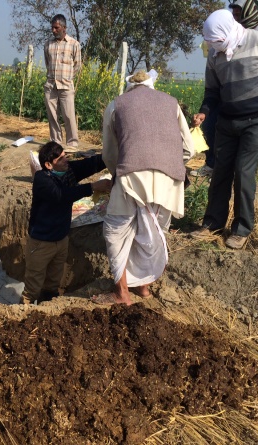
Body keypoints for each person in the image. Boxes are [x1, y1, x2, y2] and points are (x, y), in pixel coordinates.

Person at [91, 71, 194, 306]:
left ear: (129, 87)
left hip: (132, 178)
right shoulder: (172, 103)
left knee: (116, 232)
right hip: (169, 181)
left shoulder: (117, 104)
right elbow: (189, 149)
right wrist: (166, 162)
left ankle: (121, 293)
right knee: (152, 232)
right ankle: (144, 288)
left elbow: (109, 153)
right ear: (151, 85)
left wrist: (118, 171)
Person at [191, 9, 258, 249]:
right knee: (220, 171)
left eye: (218, 41)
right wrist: (204, 111)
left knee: (244, 173)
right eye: (213, 43)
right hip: (226, 121)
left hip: (256, 120)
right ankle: (212, 223)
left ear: (228, 30)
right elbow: (212, 90)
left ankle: (241, 228)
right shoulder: (215, 54)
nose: (217, 46)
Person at [20, 142, 111, 305]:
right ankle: (23, 312)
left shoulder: (67, 171)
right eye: (61, 158)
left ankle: (46, 309)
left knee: (53, 284)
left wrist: (111, 154)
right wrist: (93, 186)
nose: (66, 159)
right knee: (32, 287)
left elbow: (91, 164)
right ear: (48, 165)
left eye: (64, 155)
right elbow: (61, 195)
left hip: (61, 240)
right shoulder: (42, 180)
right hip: (41, 244)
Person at [190, 0, 258, 179]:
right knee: (211, 126)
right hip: (224, 91)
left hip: (250, 103)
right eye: (233, 15)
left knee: (243, 162)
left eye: (238, 15)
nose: (235, 19)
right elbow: (212, 84)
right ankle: (213, 164)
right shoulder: (227, 36)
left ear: (248, 13)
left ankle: (233, 171)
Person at [43, 14, 81, 149]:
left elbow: (77, 65)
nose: (53, 30)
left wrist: (67, 78)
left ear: (64, 28)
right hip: (51, 85)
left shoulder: (74, 44)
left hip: (66, 86)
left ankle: (72, 144)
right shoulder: (48, 44)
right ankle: (55, 143)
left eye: (56, 27)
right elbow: (48, 63)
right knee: (52, 116)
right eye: (52, 27)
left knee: (69, 116)